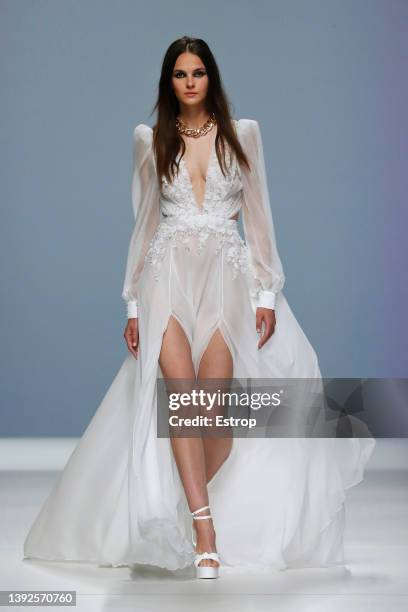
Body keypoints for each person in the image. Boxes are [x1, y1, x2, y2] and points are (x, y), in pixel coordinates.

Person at [23, 36, 375, 580]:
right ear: (169, 82)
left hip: (226, 284)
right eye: (180, 74)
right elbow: (142, 227)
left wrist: (265, 292)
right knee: (181, 402)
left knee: (215, 423)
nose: (190, 82)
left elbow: (259, 219)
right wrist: (132, 307)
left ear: (212, 77)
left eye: (199, 72)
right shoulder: (150, 140)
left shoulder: (245, 135)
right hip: (165, 281)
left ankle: (173, 508)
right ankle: (203, 531)